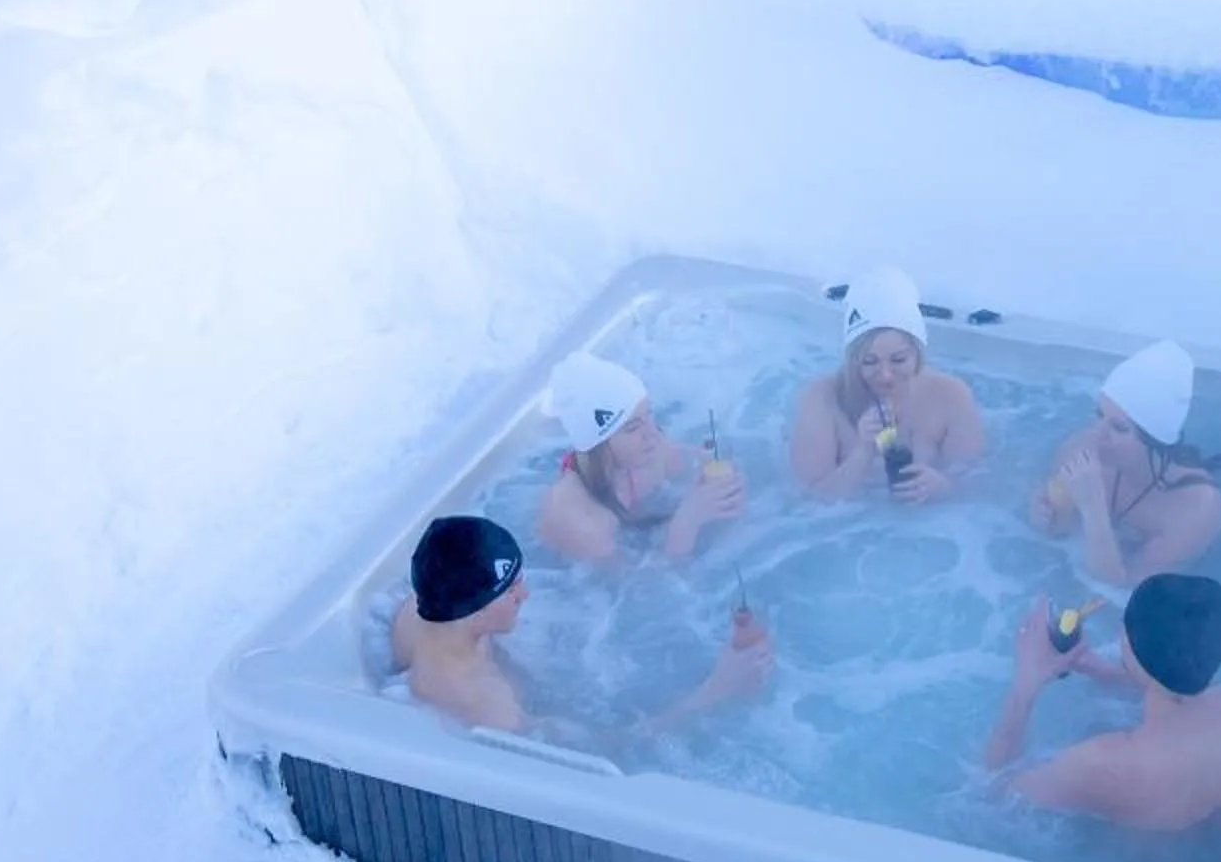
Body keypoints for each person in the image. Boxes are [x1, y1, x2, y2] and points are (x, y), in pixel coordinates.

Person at [390, 515, 773, 736]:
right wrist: (714, 692)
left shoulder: (424, 610)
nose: (526, 594)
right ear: (475, 610)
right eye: (511, 590)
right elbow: (601, 755)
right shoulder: (488, 706)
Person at [983, 573, 1221, 830]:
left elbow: (996, 793)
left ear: (1128, 644)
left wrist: (1026, 683)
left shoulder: (1106, 764)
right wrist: (1093, 667)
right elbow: (1170, 687)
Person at [1027, 339, 1221, 586]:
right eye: (1099, 415)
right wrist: (1044, 513)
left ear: (1154, 440)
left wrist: (1092, 508)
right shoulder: (1080, 449)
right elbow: (1055, 532)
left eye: (1119, 428)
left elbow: (1122, 587)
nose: (1097, 435)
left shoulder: (1196, 510)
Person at [788, 266, 986, 504]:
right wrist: (863, 451)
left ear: (918, 354)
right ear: (853, 360)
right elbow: (810, 500)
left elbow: (976, 486)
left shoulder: (951, 395)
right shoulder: (822, 399)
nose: (885, 376)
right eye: (870, 362)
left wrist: (943, 486)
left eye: (898, 360)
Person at [535, 351, 746, 566]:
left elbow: (693, 465)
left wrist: (716, 482)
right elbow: (652, 584)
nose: (652, 433)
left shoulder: (648, 449)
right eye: (633, 427)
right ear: (598, 446)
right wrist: (688, 520)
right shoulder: (578, 519)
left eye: (648, 415)